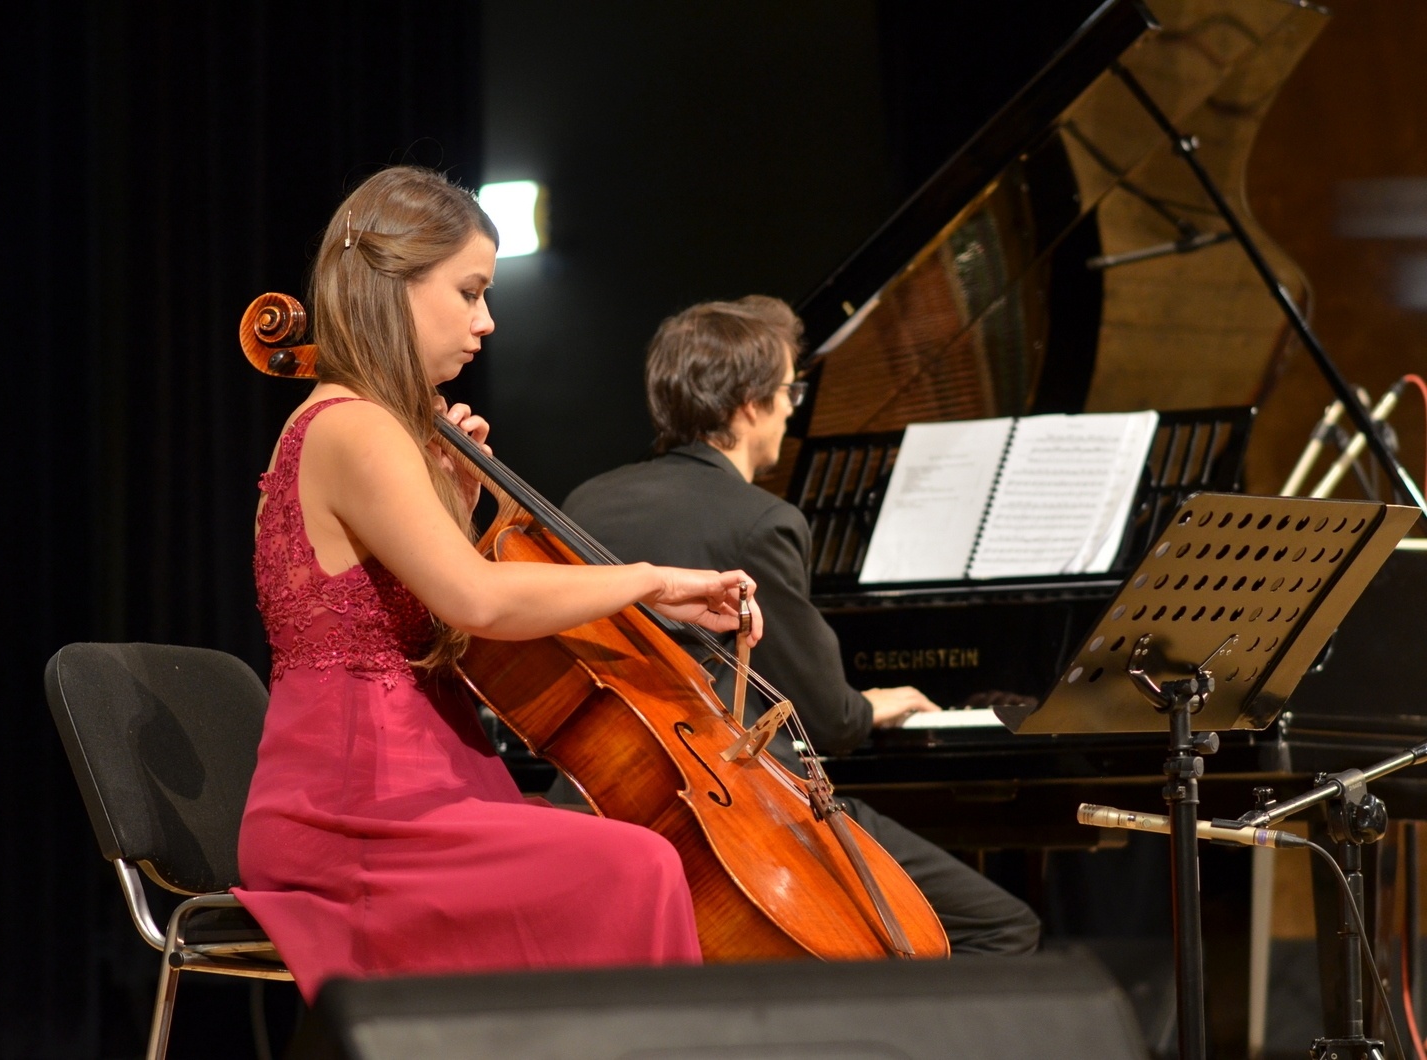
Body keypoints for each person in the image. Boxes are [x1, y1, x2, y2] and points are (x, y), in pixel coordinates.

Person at [233, 167, 764, 1001]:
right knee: (640, 867)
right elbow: (477, 601)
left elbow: (440, 616)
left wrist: (457, 499)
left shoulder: (362, 426)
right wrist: (648, 582)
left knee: (624, 859)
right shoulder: (357, 427)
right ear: (393, 286)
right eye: (470, 291)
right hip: (358, 810)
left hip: (408, 783)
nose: (488, 321)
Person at [561, 295, 1040, 955]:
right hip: (744, 818)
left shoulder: (586, 500)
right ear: (751, 404)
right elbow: (827, 717)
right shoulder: (761, 521)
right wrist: (873, 704)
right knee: (1002, 927)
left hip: (599, 799)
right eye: (790, 390)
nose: (794, 408)